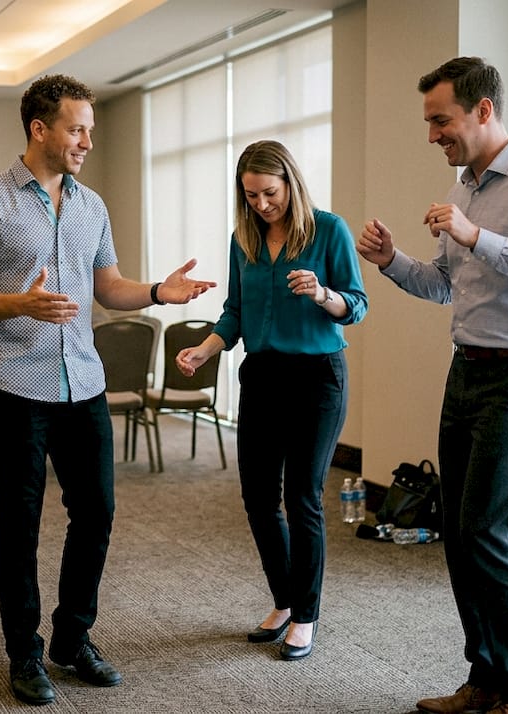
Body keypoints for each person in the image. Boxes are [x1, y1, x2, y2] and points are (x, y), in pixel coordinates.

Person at [0, 74, 216, 706]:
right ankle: (24, 653)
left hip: (83, 383)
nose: (87, 141)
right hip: (15, 383)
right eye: (77, 128)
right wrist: (21, 303)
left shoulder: (92, 205)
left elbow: (109, 288)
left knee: (96, 511)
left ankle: (73, 638)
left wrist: (156, 293)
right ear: (39, 129)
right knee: (20, 522)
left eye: (90, 129)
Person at [357, 57, 508, 714]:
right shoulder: (463, 192)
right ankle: (485, 680)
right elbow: (444, 284)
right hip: (469, 372)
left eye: (441, 120)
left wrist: (478, 237)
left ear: (483, 110)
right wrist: (391, 261)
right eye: (430, 122)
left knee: (489, 527)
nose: (433, 134)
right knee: (459, 531)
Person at [175, 140, 367, 662]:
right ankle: (283, 601)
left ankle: (306, 615)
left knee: (303, 497)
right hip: (260, 375)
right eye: (251, 195)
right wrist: (205, 350)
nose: (262, 204)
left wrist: (322, 294)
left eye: (270, 193)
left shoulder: (329, 229)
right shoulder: (245, 239)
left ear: (291, 182)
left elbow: (356, 305)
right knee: (259, 499)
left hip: (317, 376)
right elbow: (235, 311)